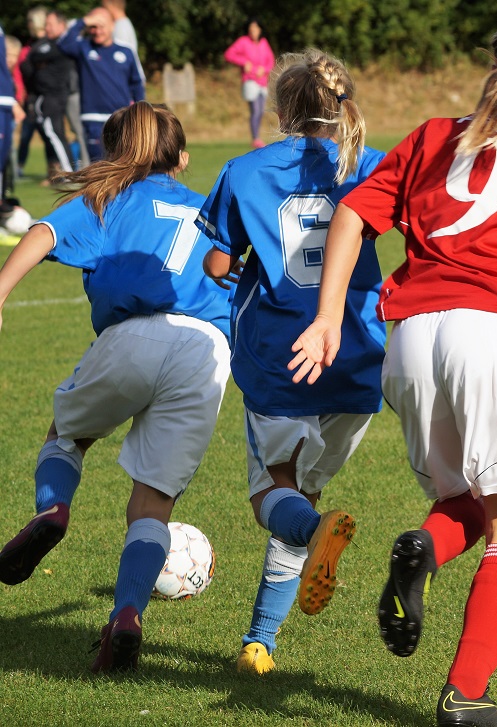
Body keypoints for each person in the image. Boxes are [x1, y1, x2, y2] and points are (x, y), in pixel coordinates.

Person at [290, 11, 497, 726]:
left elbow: (351, 216)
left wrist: (329, 316)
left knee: (462, 496)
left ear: (493, 65)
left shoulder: (432, 136)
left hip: (411, 338)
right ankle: (465, 695)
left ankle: (422, 549)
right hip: (496, 330)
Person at [0, 102, 232, 673]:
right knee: (153, 501)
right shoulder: (209, 208)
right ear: (181, 159)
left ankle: (54, 510)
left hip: (134, 334)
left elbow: (43, 232)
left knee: (67, 436)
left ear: (115, 151)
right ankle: (126, 615)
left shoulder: (110, 197)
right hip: (206, 351)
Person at [197, 48, 386, 676]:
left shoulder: (245, 171)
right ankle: (260, 642)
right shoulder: (372, 163)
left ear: (281, 111)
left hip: (283, 356)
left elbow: (218, 264)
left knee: (274, 496)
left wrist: (238, 262)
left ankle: (314, 535)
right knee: (302, 492)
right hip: (356, 355)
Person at [57, 6, 144, 162]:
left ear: (112, 26)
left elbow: (137, 84)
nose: (97, 31)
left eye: (101, 26)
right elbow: (63, 44)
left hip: (121, 117)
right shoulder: (83, 48)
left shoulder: (126, 51)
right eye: (93, 27)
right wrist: (84, 21)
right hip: (93, 119)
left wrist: (140, 113)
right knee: (98, 165)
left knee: (124, 163)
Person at [20, 8, 78, 182]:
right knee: (51, 134)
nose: (47, 28)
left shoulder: (63, 44)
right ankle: (61, 173)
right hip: (42, 96)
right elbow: (30, 59)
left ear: (61, 25)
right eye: (46, 24)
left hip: (54, 96)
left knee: (56, 133)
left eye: (50, 24)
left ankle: (69, 174)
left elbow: (38, 55)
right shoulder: (47, 42)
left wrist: (40, 60)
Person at [223, 17, 275, 148]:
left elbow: (271, 61)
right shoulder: (243, 41)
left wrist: (264, 69)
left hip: (262, 81)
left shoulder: (263, 43)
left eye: (255, 29)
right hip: (250, 80)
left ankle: (257, 137)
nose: (253, 31)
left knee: (261, 111)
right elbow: (229, 54)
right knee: (255, 110)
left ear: (260, 30)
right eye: (251, 29)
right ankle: (255, 138)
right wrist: (244, 62)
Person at [15, 6, 46, 181]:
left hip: (45, 97)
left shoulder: (49, 45)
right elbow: (19, 72)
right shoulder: (28, 46)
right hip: (30, 98)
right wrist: (20, 92)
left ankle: (54, 168)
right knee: (26, 135)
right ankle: (19, 166)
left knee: (48, 135)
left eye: (29, 21)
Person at [0, 23, 27, 199]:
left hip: (8, 121)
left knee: (5, 159)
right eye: (8, 55)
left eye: (15, 56)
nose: (11, 60)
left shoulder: (9, 78)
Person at [102, 0, 145, 84]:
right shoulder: (122, 24)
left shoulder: (120, 27)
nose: (103, 10)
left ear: (111, 5)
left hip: (128, 80)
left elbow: (120, 58)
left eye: (104, 7)